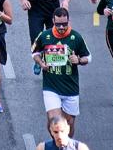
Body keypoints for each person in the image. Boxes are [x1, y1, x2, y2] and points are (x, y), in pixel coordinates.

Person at [32, 7, 90, 138]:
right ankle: (57, 144)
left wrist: (79, 60)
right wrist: (41, 63)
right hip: (51, 86)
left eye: (64, 24)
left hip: (70, 88)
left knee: (69, 122)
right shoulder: (45, 36)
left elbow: (88, 57)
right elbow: (35, 52)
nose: (62, 27)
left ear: (69, 21)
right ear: (53, 21)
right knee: (55, 121)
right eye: (58, 24)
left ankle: (67, 144)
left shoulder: (76, 37)